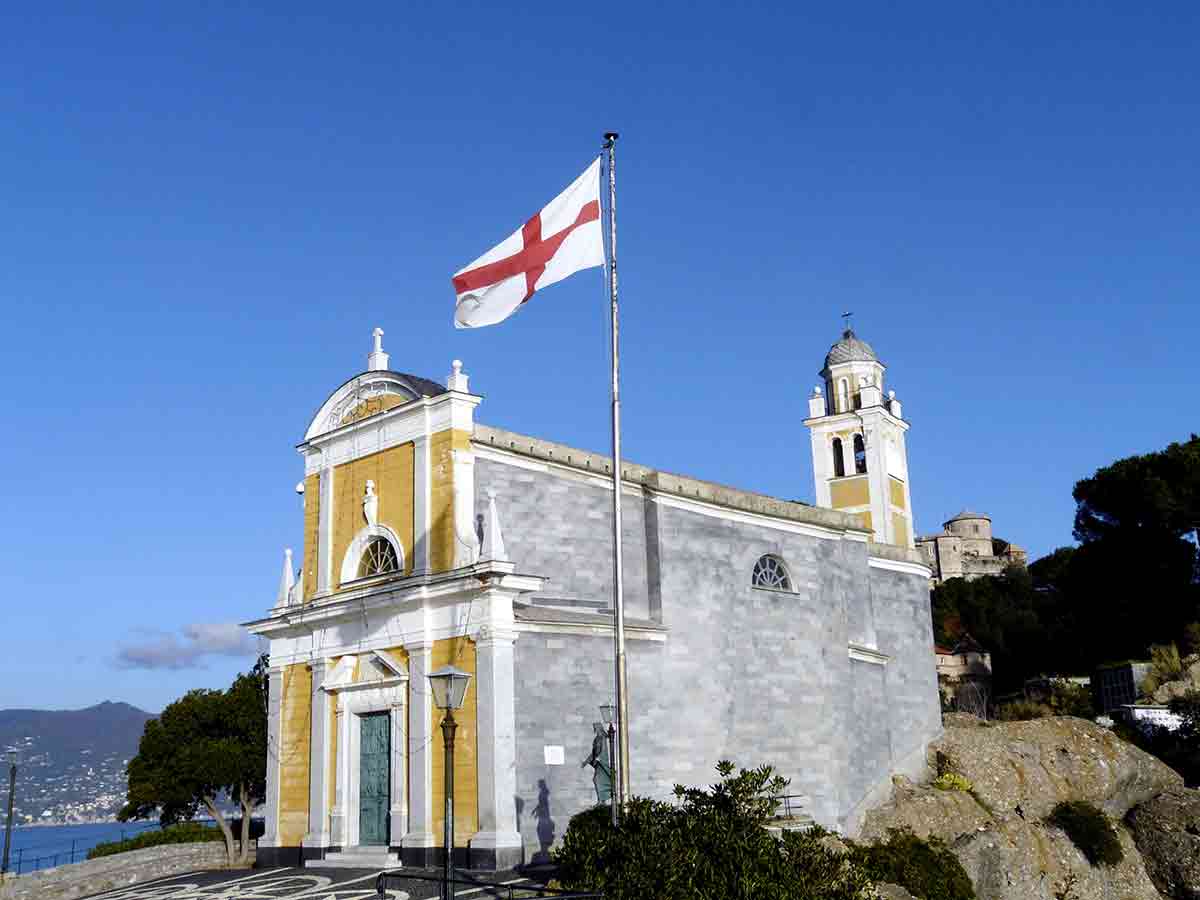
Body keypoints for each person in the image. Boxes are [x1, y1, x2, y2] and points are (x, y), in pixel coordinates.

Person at [581, 722, 613, 804]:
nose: (594, 729)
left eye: (595, 727)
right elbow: (593, 753)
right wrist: (585, 762)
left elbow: (603, 750)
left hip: (602, 763)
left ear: (599, 728)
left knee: (597, 779)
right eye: (594, 727)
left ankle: (602, 799)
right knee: (596, 780)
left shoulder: (602, 738)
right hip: (598, 764)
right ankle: (601, 800)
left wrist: (599, 758)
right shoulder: (596, 739)